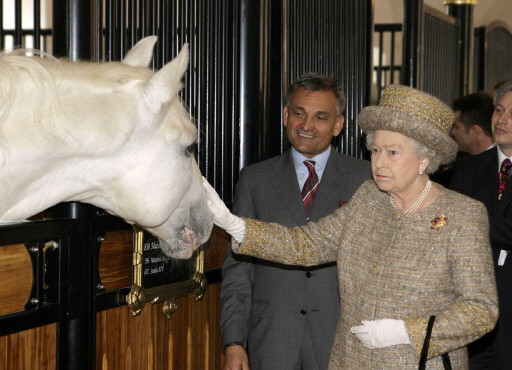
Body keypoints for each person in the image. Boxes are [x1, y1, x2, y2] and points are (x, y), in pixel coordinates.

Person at [205, 84, 498, 369]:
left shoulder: (462, 215)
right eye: (376, 150)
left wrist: (408, 332)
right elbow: (305, 245)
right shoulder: (369, 199)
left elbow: (481, 310)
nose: (379, 163)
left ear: (424, 159)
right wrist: (236, 226)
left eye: (392, 153)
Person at [221, 73, 371, 370]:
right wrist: (233, 342)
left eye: (320, 117)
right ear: (285, 115)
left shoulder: (366, 179)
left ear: (338, 124)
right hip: (272, 338)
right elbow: (238, 270)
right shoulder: (255, 179)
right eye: (299, 114)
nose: (307, 126)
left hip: (341, 340)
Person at [450, 81, 512, 369]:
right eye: (499, 110)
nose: (502, 119)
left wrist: (469, 218)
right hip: (475, 310)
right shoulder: (467, 168)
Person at [431, 92, 494, 186]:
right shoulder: (460, 165)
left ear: (475, 131)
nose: (452, 132)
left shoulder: (500, 168)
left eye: (457, 127)